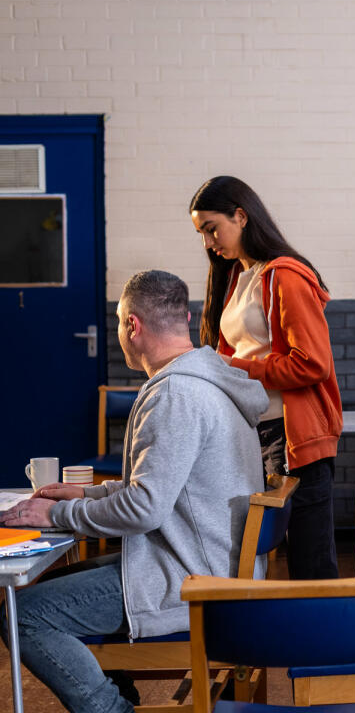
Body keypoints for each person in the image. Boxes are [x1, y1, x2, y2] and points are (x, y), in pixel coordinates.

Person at [0, 270, 266, 713]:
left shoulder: (175, 394)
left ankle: (112, 708)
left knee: (20, 614)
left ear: (132, 326)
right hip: (208, 563)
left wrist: (51, 516)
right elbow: (166, 489)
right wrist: (85, 497)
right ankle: (121, 695)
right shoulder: (207, 378)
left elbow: (145, 510)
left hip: (193, 582)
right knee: (48, 586)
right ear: (183, 317)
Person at [190, 175, 342, 580]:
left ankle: (323, 642)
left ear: (240, 216)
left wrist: (233, 368)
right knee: (256, 554)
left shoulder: (284, 275)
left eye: (211, 229)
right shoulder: (239, 278)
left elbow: (312, 364)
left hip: (293, 436)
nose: (209, 242)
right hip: (256, 433)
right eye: (201, 234)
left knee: (311, 564)